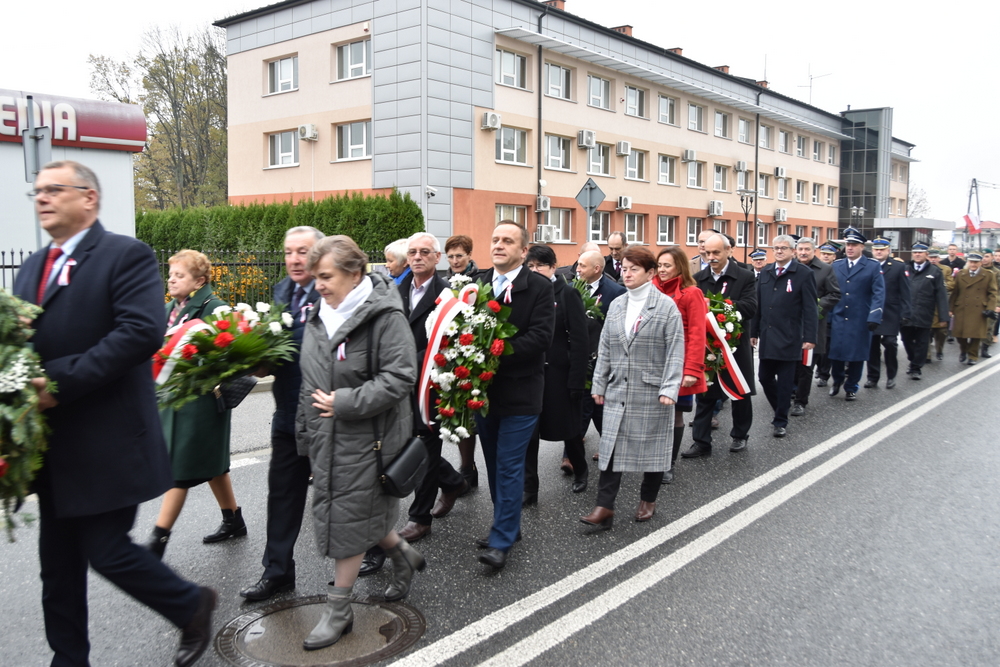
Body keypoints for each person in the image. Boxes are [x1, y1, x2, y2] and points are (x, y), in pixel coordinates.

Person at [15, 160, 214, 667]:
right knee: (57, 568)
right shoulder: (33, 266)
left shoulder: (126, 255)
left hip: (108, 442)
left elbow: (138, 333)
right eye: (38, 191)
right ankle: (68, 660)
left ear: (89, 197)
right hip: (54, 448)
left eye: (54, 189)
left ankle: (191, 604)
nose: (42, 198)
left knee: (107, 551)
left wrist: (57, 384)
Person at [297, 235, 424, 650]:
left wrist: (345, 402)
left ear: (355, 274)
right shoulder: (320, 315)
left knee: (348, 520)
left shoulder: (385, 316)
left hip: (370, 439)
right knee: (354, 512)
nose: (318, 285)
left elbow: (400, 377)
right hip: (327, 436)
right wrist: (306, 437)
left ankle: (338, 610)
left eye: (326, 276)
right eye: (316, 277)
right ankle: (402, 553)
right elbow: (309, 383)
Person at [144, 250, 246, 559]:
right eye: (171, 275)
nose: (171, 280)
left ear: (200, 281)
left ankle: (158, 540)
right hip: (173, 399)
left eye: (180, 275)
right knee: (214, 466)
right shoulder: (168, 310)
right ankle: (233, 519)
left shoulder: (214, 308)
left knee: (180, 470)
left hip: (201, 402)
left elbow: (233, 352)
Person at [241, 226, 323, 600]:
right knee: (283, 496)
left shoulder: (333, 291)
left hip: (326, 415)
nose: (294, 259)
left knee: (344, 493)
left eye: (302, 251)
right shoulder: (281, 292)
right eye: (289, 251)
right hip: (288, 412)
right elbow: (277, 353)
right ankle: (277, 572)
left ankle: (374, 550)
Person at [581, 247, 685, 528]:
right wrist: (599, 382)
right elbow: (605, 347)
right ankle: (604, 507)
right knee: (610, 447)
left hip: (652, 390)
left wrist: (669, 388)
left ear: (650, 273)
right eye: (624, 269)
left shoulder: (665, 307)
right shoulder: (617, 304)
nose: (626, 274)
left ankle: (648, 500)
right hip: (618, 388)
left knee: (653, 448)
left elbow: (676, 350)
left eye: (634, 269)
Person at [473, 221, 555, 570]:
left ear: (523, 251)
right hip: (483, 392)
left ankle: (501, 539)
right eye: (495, 239)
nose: (498, 245)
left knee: (508, 464)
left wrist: (493, 353)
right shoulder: (476, 283)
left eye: (507, 241)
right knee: (493, 462)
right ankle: (507, 523)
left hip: (521, 391)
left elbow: (540, 337)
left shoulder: (539, 287)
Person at [396, 232, 469, 542]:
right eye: (412, 251)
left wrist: (406, 364)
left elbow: (448, 342)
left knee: (425, 444)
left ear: (437, 258)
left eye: (425, 252)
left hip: (430, 382)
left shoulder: (448, 295)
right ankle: (452, 481)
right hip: (396, 382)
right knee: (402, 445)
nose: (417, 257)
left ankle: (420, 517)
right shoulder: (395, 290)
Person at [523, 245, 590, 500]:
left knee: (569, 430)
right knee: (529, 434)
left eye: (540, 265)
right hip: (531, 375)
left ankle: (581, 469)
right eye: (530, 266)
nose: (534, 270)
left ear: (553, 267)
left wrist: (577, 380)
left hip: (560, 375)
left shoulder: (567, 293)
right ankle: (530, 487)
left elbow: (580, 340)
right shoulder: (525, 292)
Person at [682, 234, 757, 457]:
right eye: (707, 253)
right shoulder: (698, 278)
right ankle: (701, 442)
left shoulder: (745, 276)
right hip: (707, 346)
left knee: (739, 392)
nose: (711, 257)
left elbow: (750, 307)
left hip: (735, 346)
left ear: (729, 251)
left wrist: (717, 307)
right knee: (705, 394)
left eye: (716, 252)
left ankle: (740, 435)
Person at [749, 236, 818, 437]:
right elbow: (758, 304)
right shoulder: (766, 272)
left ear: (793, 251)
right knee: (764, 377)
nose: (779, 251)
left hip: (790, 336)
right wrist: (753, 332)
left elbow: (810, 308)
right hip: (768, 335)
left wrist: (810, 337)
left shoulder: (803, 273)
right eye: (776, 248)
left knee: (786, 382)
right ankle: (781, 405)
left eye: (783, 248)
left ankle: (780, 421)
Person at [652, 246, 707, 482]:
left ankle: (668, 463)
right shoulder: (650, 289)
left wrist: (692, 369)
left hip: (678, 363)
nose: (662, 270)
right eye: (659, 265)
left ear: (680, 267)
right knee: (652, 414)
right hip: (652, 363)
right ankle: (651, 459)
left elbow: (697, 334)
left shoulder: (691, 293)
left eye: (667, 265)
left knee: (674, 415)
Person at [573, 249, 626, 467]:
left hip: (604, 359)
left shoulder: (616, 292)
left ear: (597, 269)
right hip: (578, 358)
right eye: (578, 265)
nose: (577, 269)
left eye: (582, 266)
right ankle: (571, 454)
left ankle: (610, 448)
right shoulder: (572, 288)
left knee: (600, 406)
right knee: (580, 405)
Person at [827, 228, 885, 401]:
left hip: (860, 318)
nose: (850, 248)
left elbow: (879, 293)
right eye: (848, 245)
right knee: (836, 353)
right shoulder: (837, 265)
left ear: (861, 247)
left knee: (857, 356)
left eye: (853, 245)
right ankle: (837, 380)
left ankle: (851, 386)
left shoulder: (872, 266)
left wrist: (874, 316)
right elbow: (829, 290)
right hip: (838, 316)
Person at [443, 234, 481, 486]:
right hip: (450, 358)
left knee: (476, 413)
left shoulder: (481, 281)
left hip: (475, 355)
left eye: (459, 256)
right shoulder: (443, 283)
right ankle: (467, 469)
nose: (455, 261)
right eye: (451, 257)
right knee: (459, 414)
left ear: (469, 255)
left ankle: (474, 469)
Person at [792, 238, 840, 415]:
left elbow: (834, 294)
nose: (803, 252)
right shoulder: (790, 267)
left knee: (806, 365)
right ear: (796, 250)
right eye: (800, 249)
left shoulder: (825, 269)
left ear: (814, 251)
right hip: (790, 325)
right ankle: (791, 391)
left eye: (807, 249)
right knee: (791, 364)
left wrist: (815, 307)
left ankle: (800, 401)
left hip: (812, 325)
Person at [865, 238, 912, 390]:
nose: (879, 252)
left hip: (891, 312)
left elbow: (905, 292)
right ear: (872, 251)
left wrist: (906, 313)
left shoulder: (898, 267)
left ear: (888, 251)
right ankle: (872, 377)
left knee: (890, 343)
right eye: (876, 249)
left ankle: (891, 375)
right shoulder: (867, 266)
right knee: (872, 346)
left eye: (882, 249)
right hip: (872, 312)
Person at [901, 243, 949, 379]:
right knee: (906, 339)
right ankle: (913, 359)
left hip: (925, 312)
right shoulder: (905, 269)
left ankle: (916, 368)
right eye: (915, 252)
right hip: (906, 313)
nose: (917, 255)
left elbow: (941, 295)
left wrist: (944, 317)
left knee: (922, 342)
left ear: (926, 255)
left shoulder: (935, 271)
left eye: (920, 252)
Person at [949, 252, 999, 366]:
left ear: (980, 263)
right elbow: (955, 293)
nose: (973, 264)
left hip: (979, 308)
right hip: (961, 307)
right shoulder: (961, 274)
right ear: (968, 262)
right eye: (971, 262)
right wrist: (950, 308)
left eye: (976, 262)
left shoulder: (988, 275)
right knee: (959, 334)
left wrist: (990, 308)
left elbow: (992, 293)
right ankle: (964, 350)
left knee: (976, 335)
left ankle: (972, 356)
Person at [928, 249, 954, 362]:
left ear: (939, 258)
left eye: (935, 258)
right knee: (925, 331)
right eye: (931, 257)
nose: (933, 260)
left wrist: (939, 286)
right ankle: (927, 355)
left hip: (941, 304)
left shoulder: (946, 269)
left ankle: (939, 350)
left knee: (941, 332)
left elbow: (951, 284)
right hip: (927, 303)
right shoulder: (924, 269)